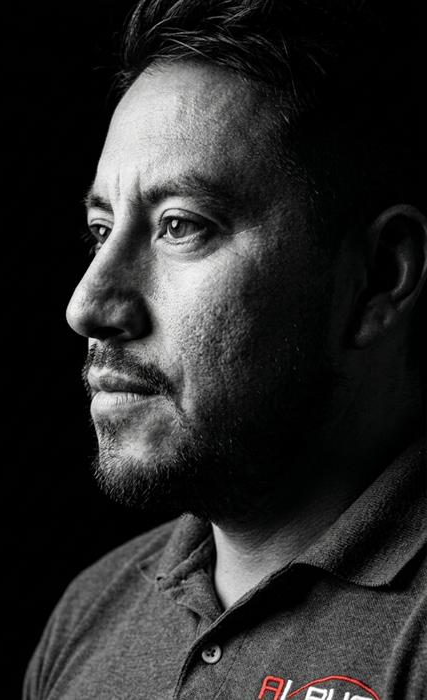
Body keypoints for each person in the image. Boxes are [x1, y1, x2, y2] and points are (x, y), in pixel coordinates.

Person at [24, 0, 426, 697]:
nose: (87, 306)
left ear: (377, 278)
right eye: (101, 230)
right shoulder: (91, 614)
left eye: (180, 226)